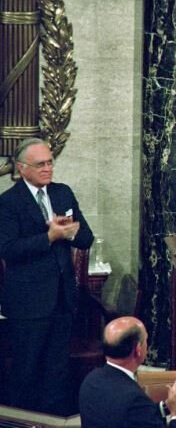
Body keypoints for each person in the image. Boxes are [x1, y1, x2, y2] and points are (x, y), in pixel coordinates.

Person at [0, 137, 94, 415]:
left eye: (50, 162)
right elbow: (7, 249)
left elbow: (86, 238)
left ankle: (55, 420)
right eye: (40, 164)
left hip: (63, 299)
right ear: (22, 168)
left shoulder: (63, 193)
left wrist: (70, 231)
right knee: (26, 371)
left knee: (57, 371)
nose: (47, 168)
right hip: (28, 303)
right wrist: (49, 237)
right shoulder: (8, 202)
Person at [79, 316, 176, 427]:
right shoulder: (133, 399)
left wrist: (166, 407)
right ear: (138, 349)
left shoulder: (91, 380)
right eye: (146, 340)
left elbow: (131, 418)